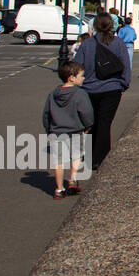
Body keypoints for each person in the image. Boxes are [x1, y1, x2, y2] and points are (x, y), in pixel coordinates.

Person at [73, 13, 132, 169]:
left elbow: (77, 65)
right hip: (112, 88)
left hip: (89, 89)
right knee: (105, 123)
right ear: (111, 25)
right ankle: (101, 158)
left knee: (91, 123)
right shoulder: (118, 43)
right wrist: (124, 84)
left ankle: (90, 156)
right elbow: (126, 65)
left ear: (95, 26)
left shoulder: (87, 44)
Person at [43, 60, 94, 199]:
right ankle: (72, 179)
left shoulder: (53, 94)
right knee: (76, 155)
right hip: (75, 130)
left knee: (58, 161)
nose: (83, 78)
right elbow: (87, 113)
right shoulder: (80, 94)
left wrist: (48, 129)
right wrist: (87, 126)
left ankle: (59, 189)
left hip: (56, 132)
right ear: (72, 77)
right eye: (81, 75)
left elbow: (46, 114)